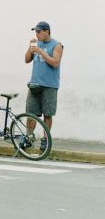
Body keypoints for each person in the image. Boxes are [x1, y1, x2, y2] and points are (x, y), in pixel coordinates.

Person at [24, 21, 63, 151]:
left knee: (47, 114)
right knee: (31, 114)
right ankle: (28, 138)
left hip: (49, 86)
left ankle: (45, 140)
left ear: (47, 31)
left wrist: (41, 52)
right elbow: (27, 60)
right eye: (36, 31)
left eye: (39, 31)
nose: (37, 34)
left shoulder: (57, 45)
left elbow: (55, 63)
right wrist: (30, 47)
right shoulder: (36, 44)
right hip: (34, 84)